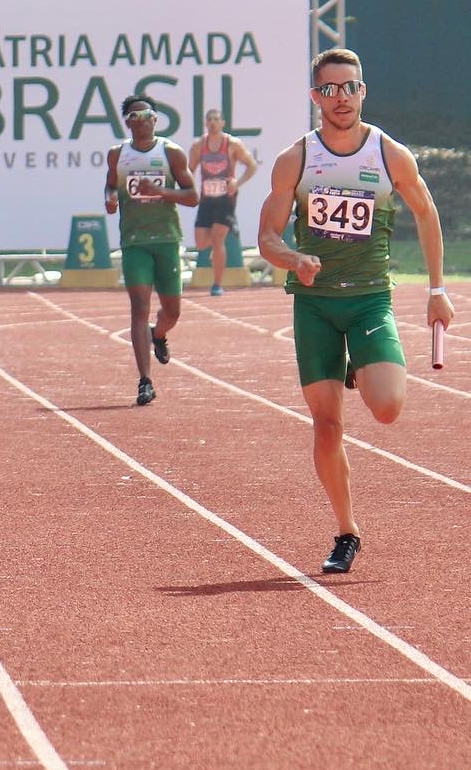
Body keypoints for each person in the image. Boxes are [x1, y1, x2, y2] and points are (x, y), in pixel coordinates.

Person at [257, 48, 454, 576]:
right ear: (315, 96)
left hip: (369, 298)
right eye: (329, 89)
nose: (340, 97)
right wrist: (294, 258)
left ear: (363, 91)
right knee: (325, 426)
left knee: (387, 407)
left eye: (350, 87)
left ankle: (357, 366)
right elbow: (267, 237)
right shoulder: (294, 159)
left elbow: (426, 213)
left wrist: (437, 288)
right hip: (315, 307)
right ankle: (346, 531)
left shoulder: (389, 155)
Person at [104, 94, 197, 407]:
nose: (141, 120)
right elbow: (109, 185)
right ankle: (145, 381)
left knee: (173, 310)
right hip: (134, 242)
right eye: (134, 116)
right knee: (139, 307)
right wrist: (111, 198)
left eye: (146, 115)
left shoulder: (170, 152)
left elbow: (192, 195)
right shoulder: (118, 155)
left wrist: (161, 191)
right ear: (127, 122)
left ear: (156, 119)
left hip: (167, 241)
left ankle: (159, 334)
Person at [188, 108, 258, 295]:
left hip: (226, 198)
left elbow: (252, 166)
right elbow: (189, 170)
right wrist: (190, 190)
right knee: (201, 243)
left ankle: (217, 284)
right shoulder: (198, 146)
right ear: (205, 123)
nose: (212, 122)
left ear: (222, 123)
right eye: (209, 119)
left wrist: (238, 182)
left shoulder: (232, 144)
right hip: (207, 198)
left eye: (216, 119)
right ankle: (226, 230)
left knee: (218, 240)